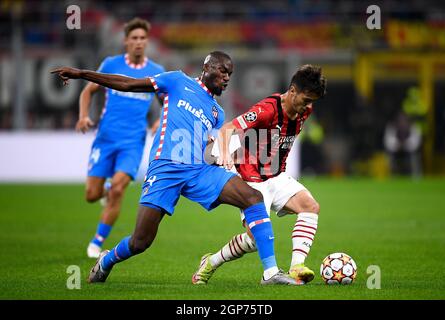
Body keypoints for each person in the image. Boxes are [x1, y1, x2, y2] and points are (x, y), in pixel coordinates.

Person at [51, 51, 300, 285]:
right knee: (141, 241)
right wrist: (83, 74)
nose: (226, 78)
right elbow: (128, 84)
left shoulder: (217, 112)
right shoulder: (176, 80)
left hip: (199, 171)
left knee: (252, 197)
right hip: (166, 169)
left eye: (230, 75)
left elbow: (210, 146)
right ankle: (107, 259)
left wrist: (223, 153)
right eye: (223, 71)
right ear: (207, 68)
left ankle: (270, 272)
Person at [192, 65, 327, 285]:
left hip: (276, 175)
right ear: (292, 90)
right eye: (306, 99)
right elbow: (228, 129)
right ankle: (211, 262)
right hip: (251, 179)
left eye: (312, 101)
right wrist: (226, 154)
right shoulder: (267, 109)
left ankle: (296, 267)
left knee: (310, 206)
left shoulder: (305, 110)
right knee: (256, 240)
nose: (308, 106)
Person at [77, 18, 165, 259]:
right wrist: (84, 116)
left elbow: (164, 102)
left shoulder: (156, 71)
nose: (138, 42)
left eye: (142, 38)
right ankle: (103, 192)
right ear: (126, 41)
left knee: (119, 188)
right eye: (134, 38)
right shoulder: (111, 64)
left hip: (132, 143)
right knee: (91, 195)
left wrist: (159, 121)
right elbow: (88, 90)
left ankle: (97, 242)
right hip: (105, 139)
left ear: (147, 42)